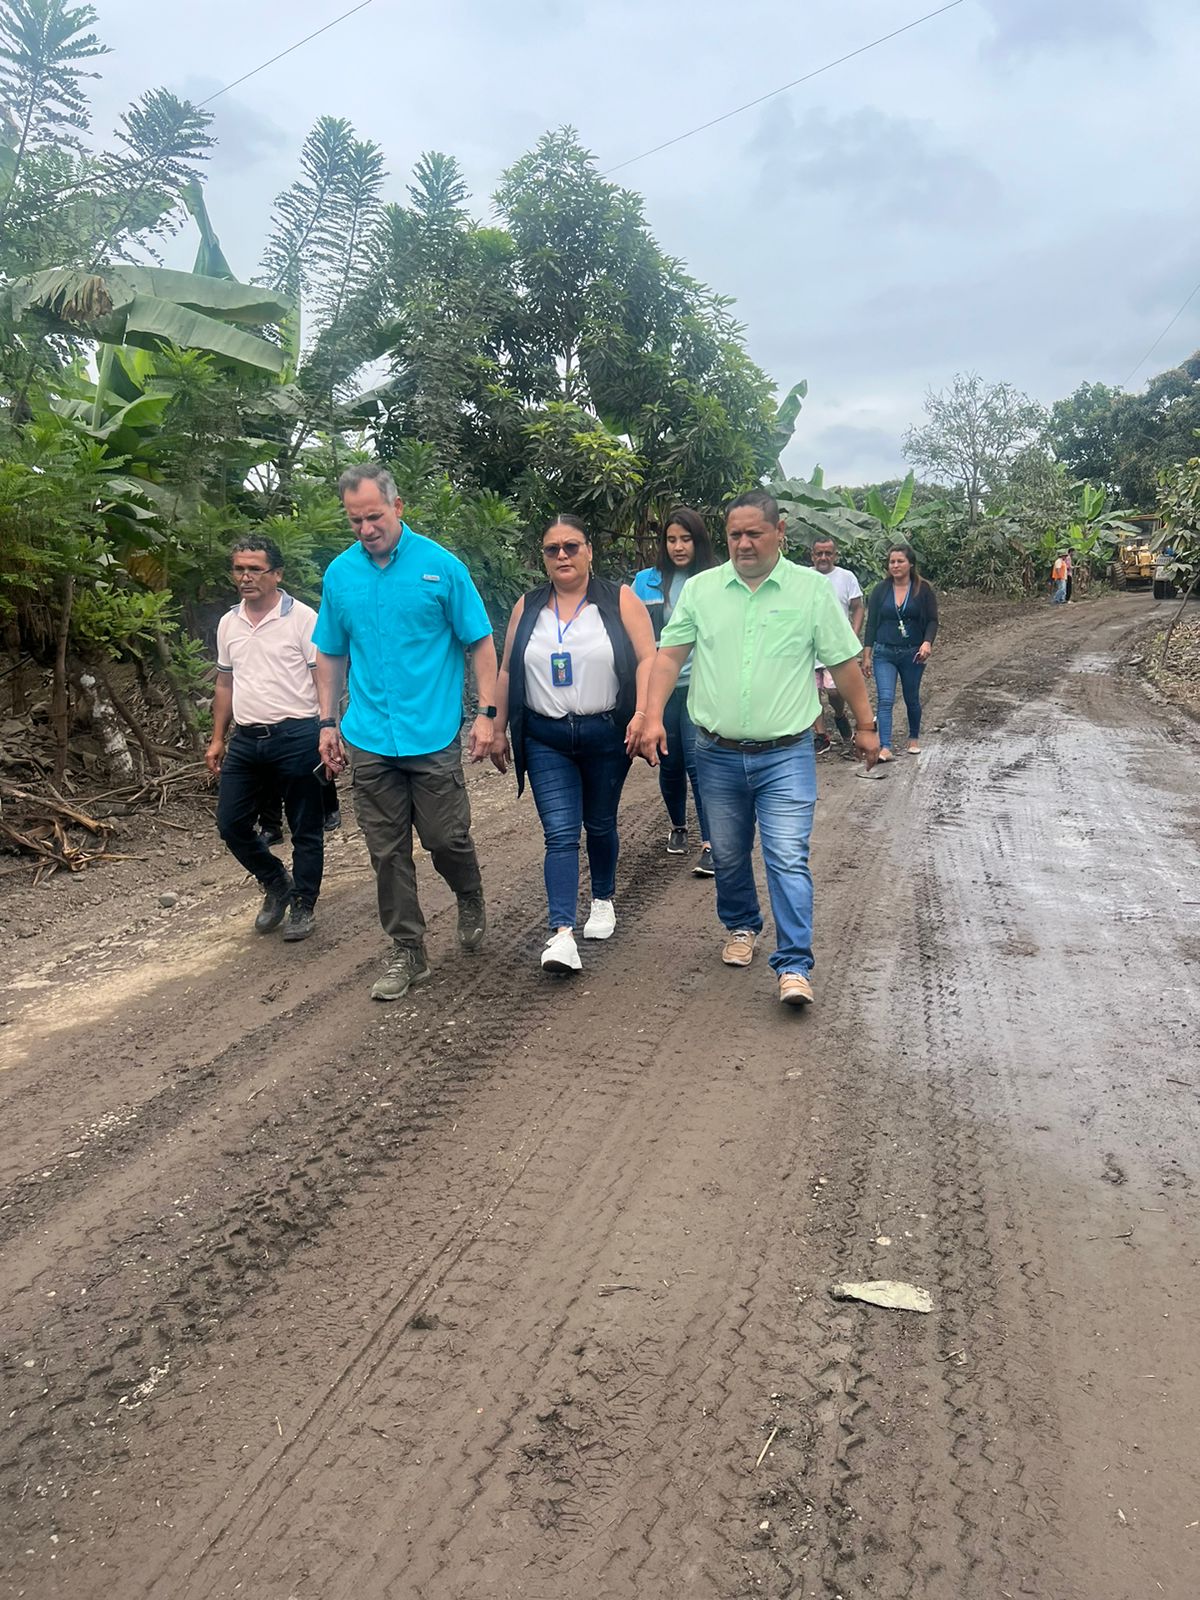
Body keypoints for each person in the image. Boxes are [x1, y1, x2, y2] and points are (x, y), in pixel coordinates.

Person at [634, 490, 879, 1009]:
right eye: (735, 535)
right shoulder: (701, 591)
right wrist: (652, 716)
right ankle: (742, 925)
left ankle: (794, 964)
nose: (744, 543)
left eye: (754, 533)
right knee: (726, 853)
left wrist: (866, 725)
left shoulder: (810, 591)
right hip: (716, 752)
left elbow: (843, 662)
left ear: (779, 533)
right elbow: (669, 656)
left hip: (786, 754)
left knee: (787, 855)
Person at [313, 463, 498, 1002]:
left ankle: (469, 893)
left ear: (397, 507)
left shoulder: (442, 567)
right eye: (355, 520)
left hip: (432, 732)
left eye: (374, 516)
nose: (366, 528)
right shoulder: (340, 575)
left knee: (445, 838)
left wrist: (487, 714)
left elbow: (480, 642)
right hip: (369, 735)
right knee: (386, 852)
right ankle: (408, 950)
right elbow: (330, 653)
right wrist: (327, 722)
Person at [492, 516, 656, 975]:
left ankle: (602, 898)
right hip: (545, 737)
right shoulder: (528, 606)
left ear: (589, 551)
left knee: (599, 822)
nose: (562, 555)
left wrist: (644, 714)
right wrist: (497, 725)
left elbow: (648, 659)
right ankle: (562, 933)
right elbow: (507, 669)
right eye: (552, 549)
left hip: (606, 732)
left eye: (571, 546)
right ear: (543, 557)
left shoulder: (619, 599)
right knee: (560, 832)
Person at [206, 535, 324, 941]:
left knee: (305, 826)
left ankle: (304, 904)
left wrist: (329, 728)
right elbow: (225, 683)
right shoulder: (229, 622)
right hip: (247, 738)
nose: (245, 577)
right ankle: (276, 881)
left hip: (298, 734)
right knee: (230, 823)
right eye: (239, 569)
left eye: (255, 569)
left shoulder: (302, 618)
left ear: (277, 574)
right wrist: (217, 738)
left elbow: (322, 677)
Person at [631, 507, 719, 875]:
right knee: (669, 761)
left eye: (686, 539)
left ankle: (711, 843)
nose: (678, 547)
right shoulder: (644, 582)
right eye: (671, 540)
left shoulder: (715, 580)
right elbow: (634, 638)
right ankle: (679, 826)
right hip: (662, 687)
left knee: (699, 764)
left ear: (699, 542)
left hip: (701, 685)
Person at [862, 543, 939, 762]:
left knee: (911, 697)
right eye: (892, 562)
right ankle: (885, 747)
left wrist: (927, 643)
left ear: (910, 564)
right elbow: (871, 623)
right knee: (885, 699)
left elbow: (932, 620)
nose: (895, 566)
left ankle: (913, 738)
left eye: (900, 561)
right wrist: (867, 655)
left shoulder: (923, 589)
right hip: (884, 652)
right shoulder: (880, 590)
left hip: (912, 653)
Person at [809, 536, 865, 758]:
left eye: (828, 553)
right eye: (819, 553)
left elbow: (858, 607)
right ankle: (821, 735)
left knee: (834, 691)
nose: (823, 557)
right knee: (811, 694)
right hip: (809, 646)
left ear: (835, 555)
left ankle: (840, 715)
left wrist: (853, 634)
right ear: (812, 556)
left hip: (836, 646)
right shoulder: (804, 578)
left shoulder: (846, 577)